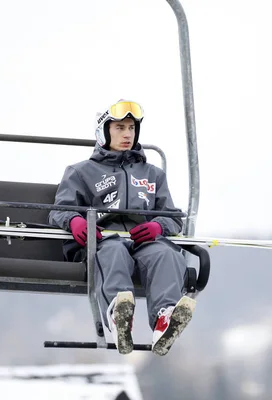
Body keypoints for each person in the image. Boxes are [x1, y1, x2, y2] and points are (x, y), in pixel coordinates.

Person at [48, 99, 196, 356]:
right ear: (104, 132)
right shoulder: (81, 172)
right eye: (119, 128)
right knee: (114, 251)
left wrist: (157, 228)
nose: (127, 134)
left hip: (143, 243)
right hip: (105, 240)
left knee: (166, 254)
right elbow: (59, 209)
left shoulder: (153, 174)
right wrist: (75, 221)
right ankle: (119, 315)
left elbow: (173, 217)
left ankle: (165, 319)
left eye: (131, 128)